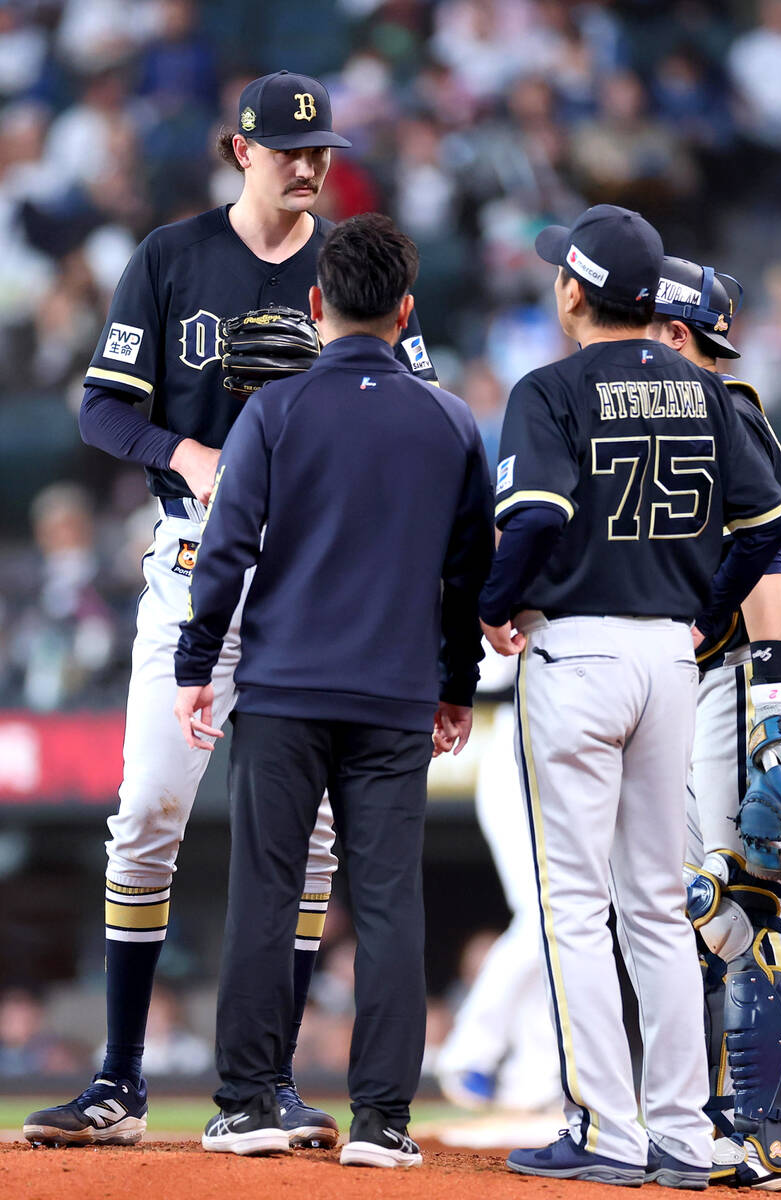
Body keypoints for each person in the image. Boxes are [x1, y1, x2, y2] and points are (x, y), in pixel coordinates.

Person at [23, 69, 438, 1149]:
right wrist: (190, 449)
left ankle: (274, 1083)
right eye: (290, 148)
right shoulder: (171, 258)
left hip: (314, 581)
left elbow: (420, 403)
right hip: (195, 554)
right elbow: (102, 411)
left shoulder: (348, 264)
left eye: (321, 150)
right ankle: (118, 1080)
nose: (310, 165)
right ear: (239, 148)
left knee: (311, 850)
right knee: (149, 812)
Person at [477, 204, 781, 1186]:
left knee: (575, 906)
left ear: (575, 290)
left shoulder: (549, 387)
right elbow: (771, 524)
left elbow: (531, 517)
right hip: (670, 658)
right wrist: (707, 607)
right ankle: (680, 1137)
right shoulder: (707, 393)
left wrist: (494, 604)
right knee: (658, 907)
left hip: (573, 651)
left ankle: (609, 1134)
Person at [173, 213, 494, 1165]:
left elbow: (225, 554)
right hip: (395, 694)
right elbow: (469, 575)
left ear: (316, 307)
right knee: (391, 901)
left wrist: (196, 666)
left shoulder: (273, 412)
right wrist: (457, 686)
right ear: (406, 310)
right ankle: (384, 1122)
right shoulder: (450, 418)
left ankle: (246, 1104)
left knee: (267, 893)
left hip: (282, 689)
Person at [649, 256, 781, 1190]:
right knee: (698, 907)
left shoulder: (723, 413)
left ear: (679, 336)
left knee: (741, 906)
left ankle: (772, 1129)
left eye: (648, 325)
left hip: (739, 682)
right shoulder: (709, 414)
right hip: (714, 679)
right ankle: (725, 1120)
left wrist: (773, 709)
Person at [436, 647, 561, 1116]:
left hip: (561, 751)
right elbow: (487, 673)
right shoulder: (516, 587)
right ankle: (469, 1052)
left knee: (555, 924)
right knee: (545, 918)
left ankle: (532, 1073)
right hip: (519, 749)